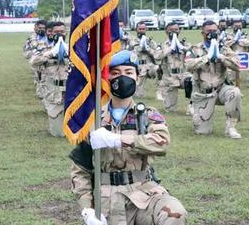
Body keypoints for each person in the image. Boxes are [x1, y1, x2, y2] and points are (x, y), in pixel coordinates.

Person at [70, 49, 187, 225]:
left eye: (128, 72)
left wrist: (119, 140)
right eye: (115, 73)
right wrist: (87, 209)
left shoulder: (147, 115)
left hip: (143, 194)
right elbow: (80, 168)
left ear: (137, 78)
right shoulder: (92, 120)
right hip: (105, 198)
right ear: (106, 78)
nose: (122, 77)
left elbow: (162, 143)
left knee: (174, 214)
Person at [186, 20, 242, 139]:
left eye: (214, 31)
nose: (212, 34)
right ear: (202, 33)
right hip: (203, 94)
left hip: (220, 89)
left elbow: (237, 66)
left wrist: (222, 57)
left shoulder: (224, 49)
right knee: (203, 132)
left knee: (235, 92)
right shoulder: (195, 49)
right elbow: (188, 65)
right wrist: (207, 57)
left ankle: (231, 128)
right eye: (208, 31)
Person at [29, 21, 68, 137]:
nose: (59, 34)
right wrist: (51, 53)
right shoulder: (43, 48)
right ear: (50, 33)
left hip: (70, 89)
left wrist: (70, 53)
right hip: (52, 90)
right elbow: (33, 61)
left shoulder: (72, 47)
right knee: (58, 133)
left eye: (62, 31)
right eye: (56, 32)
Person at [154, 23, 193, 115]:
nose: (174, 31)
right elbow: (157, 56)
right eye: (171, 29)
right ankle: (169, 104)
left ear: (180, 31)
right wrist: (170, 49)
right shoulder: (162, 45)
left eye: (176, 29)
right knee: (171, 110)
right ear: (166, 31)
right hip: (169, 77)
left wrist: (182, 48)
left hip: (183, 74)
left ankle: (191, 106)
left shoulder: (185, 44)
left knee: (191, 80)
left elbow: (192, 55)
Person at [127, 21, 157, 98]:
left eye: (143, 29)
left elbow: (156, 54)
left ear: (146, 29)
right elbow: (129, 52)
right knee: (139, 95)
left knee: (158, 70)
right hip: (137, 65)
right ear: (136, 29)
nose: (141, 30)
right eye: (140, 29)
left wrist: (148, 49)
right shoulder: (131, 40)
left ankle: (160, 91)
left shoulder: (150, 42)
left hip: (148, 66)